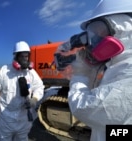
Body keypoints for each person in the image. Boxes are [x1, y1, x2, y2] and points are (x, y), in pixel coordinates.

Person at [66, 0, 132, 140]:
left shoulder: (128, 68)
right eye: (93, 35)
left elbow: (84, 108)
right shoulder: (119, 65)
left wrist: (80, 74)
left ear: (124, 26)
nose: (95, 41)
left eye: (99, 31)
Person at [0, 41, 44, 141]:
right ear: (16, 56)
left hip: (24, 118)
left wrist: (35, 98)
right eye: (22, 56)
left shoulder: (31, 72)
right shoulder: (5, 70)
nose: (24, 59)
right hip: (6, 119)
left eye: (26, 56)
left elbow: (39, 87)